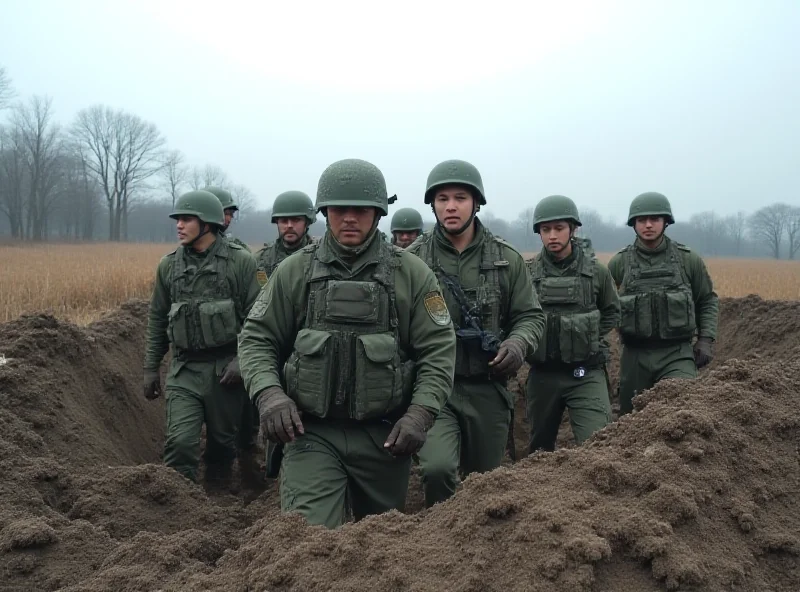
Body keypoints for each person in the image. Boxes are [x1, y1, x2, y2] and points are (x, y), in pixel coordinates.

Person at [238, 158, 456, 529]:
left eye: (361, 210)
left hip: (385, 437)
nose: (350, 218)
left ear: (377, 213)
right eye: (340, 209)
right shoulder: (295, 271)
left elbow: (437, 351)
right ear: (325, 212)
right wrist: (270, 395)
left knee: (381, 542)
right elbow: (257, 338)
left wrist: (420, 415)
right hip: (311, 434)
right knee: (307, 538)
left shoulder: (411, 274)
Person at [407, 159, 544, 508]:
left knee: (488, 482)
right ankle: (441, 538)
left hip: (489, 388)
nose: (450, 206)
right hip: (435, 390)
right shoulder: (411, 260)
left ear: (476, 203)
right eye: (442, 199)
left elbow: (530, 316)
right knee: (437, 470)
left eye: (460, 197)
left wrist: (517, 344)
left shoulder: (507, 260)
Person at [143, 190, 260, 484]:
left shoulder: (240, 263)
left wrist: (241, 361)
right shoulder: (168, 266)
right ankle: (177, 506)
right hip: (184, 370)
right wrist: (150, 368)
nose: (179, 225)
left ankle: (216, 499)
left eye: (186, 219)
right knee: (180, 443)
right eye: (177, 219)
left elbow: (257, 319)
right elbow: (157, 317)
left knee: (222, 445)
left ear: (207, 223)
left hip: (225, 371)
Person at [608, 191, 719, 415]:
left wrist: (705, 340)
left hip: (677, 352)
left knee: (685, 412)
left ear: (665, 222)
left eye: (655, 219)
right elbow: (603, 306)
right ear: (634, 224)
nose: (648, 225)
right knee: (631, 420)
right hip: (635, 355)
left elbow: (706, 300)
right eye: (642, 220)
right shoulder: (619, 264)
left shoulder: (688, 260)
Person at [524, 195, 619, 452]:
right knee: (537, 451)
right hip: (542, 375)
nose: (552, 235)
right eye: (546, 230)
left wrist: (586, 336)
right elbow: (516, 316)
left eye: (559, 228)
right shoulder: (526, 273)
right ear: (539, 233)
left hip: (585, 373)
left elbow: (612, 310)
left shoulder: (595, 271)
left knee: (598, 444)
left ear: (573, 229)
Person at [254, 190, 317, 288]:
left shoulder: (319, 258)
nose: (289, 225)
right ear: (277, 223)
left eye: (296, 220)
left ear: (307, 222)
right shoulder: (261, 260)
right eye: (284, 221)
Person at [204, 186, 250, 251]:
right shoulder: (186, 250)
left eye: (231, 214)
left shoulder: (237, 252)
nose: (229, 219)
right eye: (225, 213)